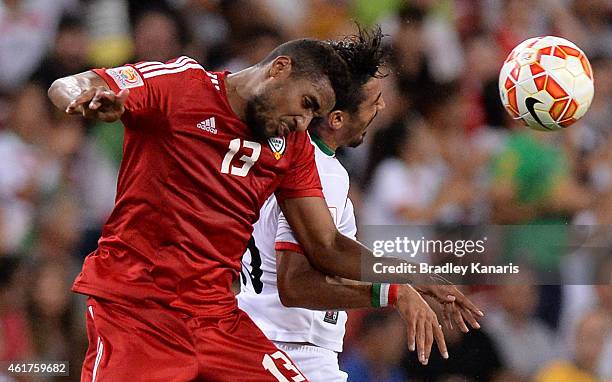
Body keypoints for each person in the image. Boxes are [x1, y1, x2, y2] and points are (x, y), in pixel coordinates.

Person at [48, 36, 480, 381]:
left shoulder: (292, 147)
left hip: (216, 317)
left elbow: (327, 246)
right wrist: (84, 95)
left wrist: (413, 275)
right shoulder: (183, 85)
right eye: (307, 104)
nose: (303, 123)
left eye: (316, 116)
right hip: (139, 312)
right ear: (280, 69)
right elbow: (69, 84)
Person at [238, 28, 483, 381]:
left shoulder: (293, 159)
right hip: (290, 349)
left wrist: (412, 278)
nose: (382, 107)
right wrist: (392, 292)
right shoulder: (318, 171)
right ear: (336, 118)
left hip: (272, 343)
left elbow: (331, 252)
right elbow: (296, 283)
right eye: (374, 102)